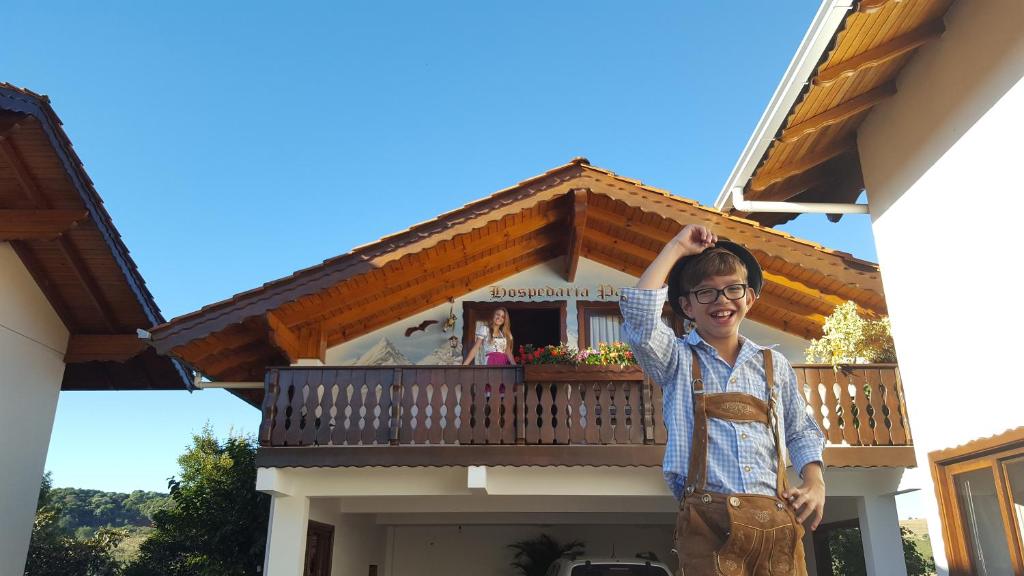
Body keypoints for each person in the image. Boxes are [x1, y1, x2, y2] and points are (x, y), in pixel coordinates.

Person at [619, 224, 825, 576]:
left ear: (750, 298)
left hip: (778, 521)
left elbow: (802, 431)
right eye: (706, 293)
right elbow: (640, 318)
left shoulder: (775, 365)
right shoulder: (677, 361)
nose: (721, 300)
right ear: (686, 306)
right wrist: (676, 246)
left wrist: (815, 482)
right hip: (707, 525)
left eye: (733, 289)